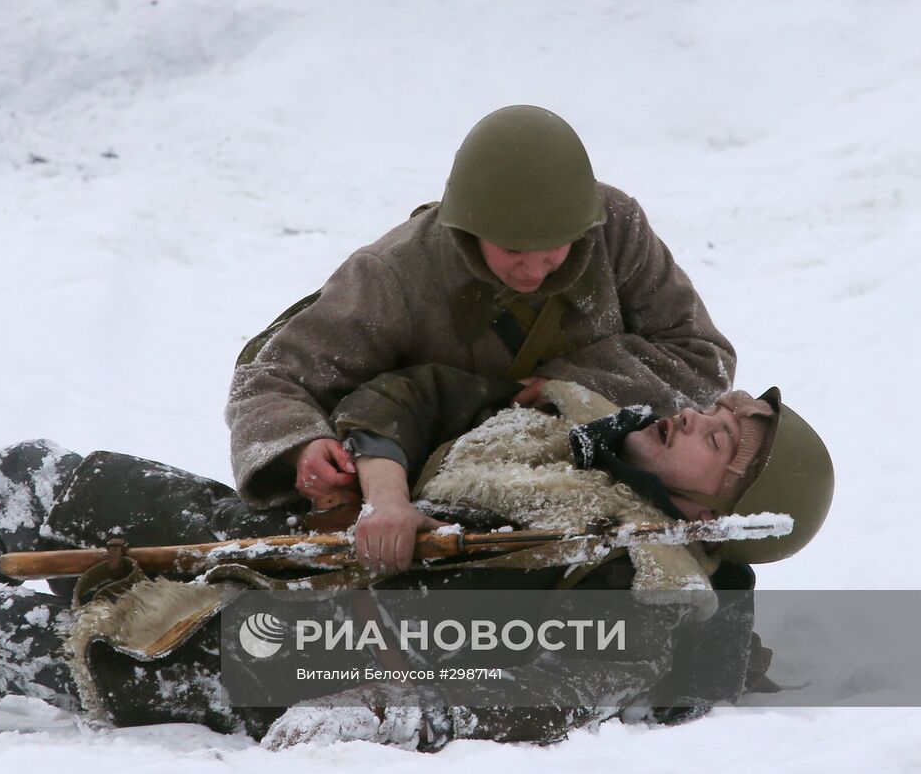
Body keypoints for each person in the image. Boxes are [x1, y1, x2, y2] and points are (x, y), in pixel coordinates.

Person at [0, 376, 832, 753]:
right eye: (721, 409)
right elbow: (400, 401)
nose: (704, 418)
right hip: (301, 549)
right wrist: (380, 481)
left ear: (725, 510)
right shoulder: (585, 424)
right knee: (22, 481)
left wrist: (357, 712)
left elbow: (542, 688)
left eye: (726, 445)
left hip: (297, 651)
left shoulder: (639, 584)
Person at [226, 104, 737, 525]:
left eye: (554, 248)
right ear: (470, 229)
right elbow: (270, 379)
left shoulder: (613, 231)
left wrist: (570, 388)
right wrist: (304, 446)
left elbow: (702, 358)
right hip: (438, 505)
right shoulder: (393, 275)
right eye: (512, 248)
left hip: (602, 493)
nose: (533, 269)